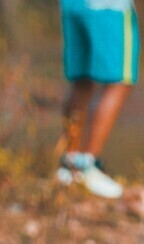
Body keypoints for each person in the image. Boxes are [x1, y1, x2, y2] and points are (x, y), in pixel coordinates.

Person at [58, 0, 139, 199]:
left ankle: (69, 166)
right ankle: (87, 166)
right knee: (119, 81)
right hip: (109, 7)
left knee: (82, 81)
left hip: (72, 5)